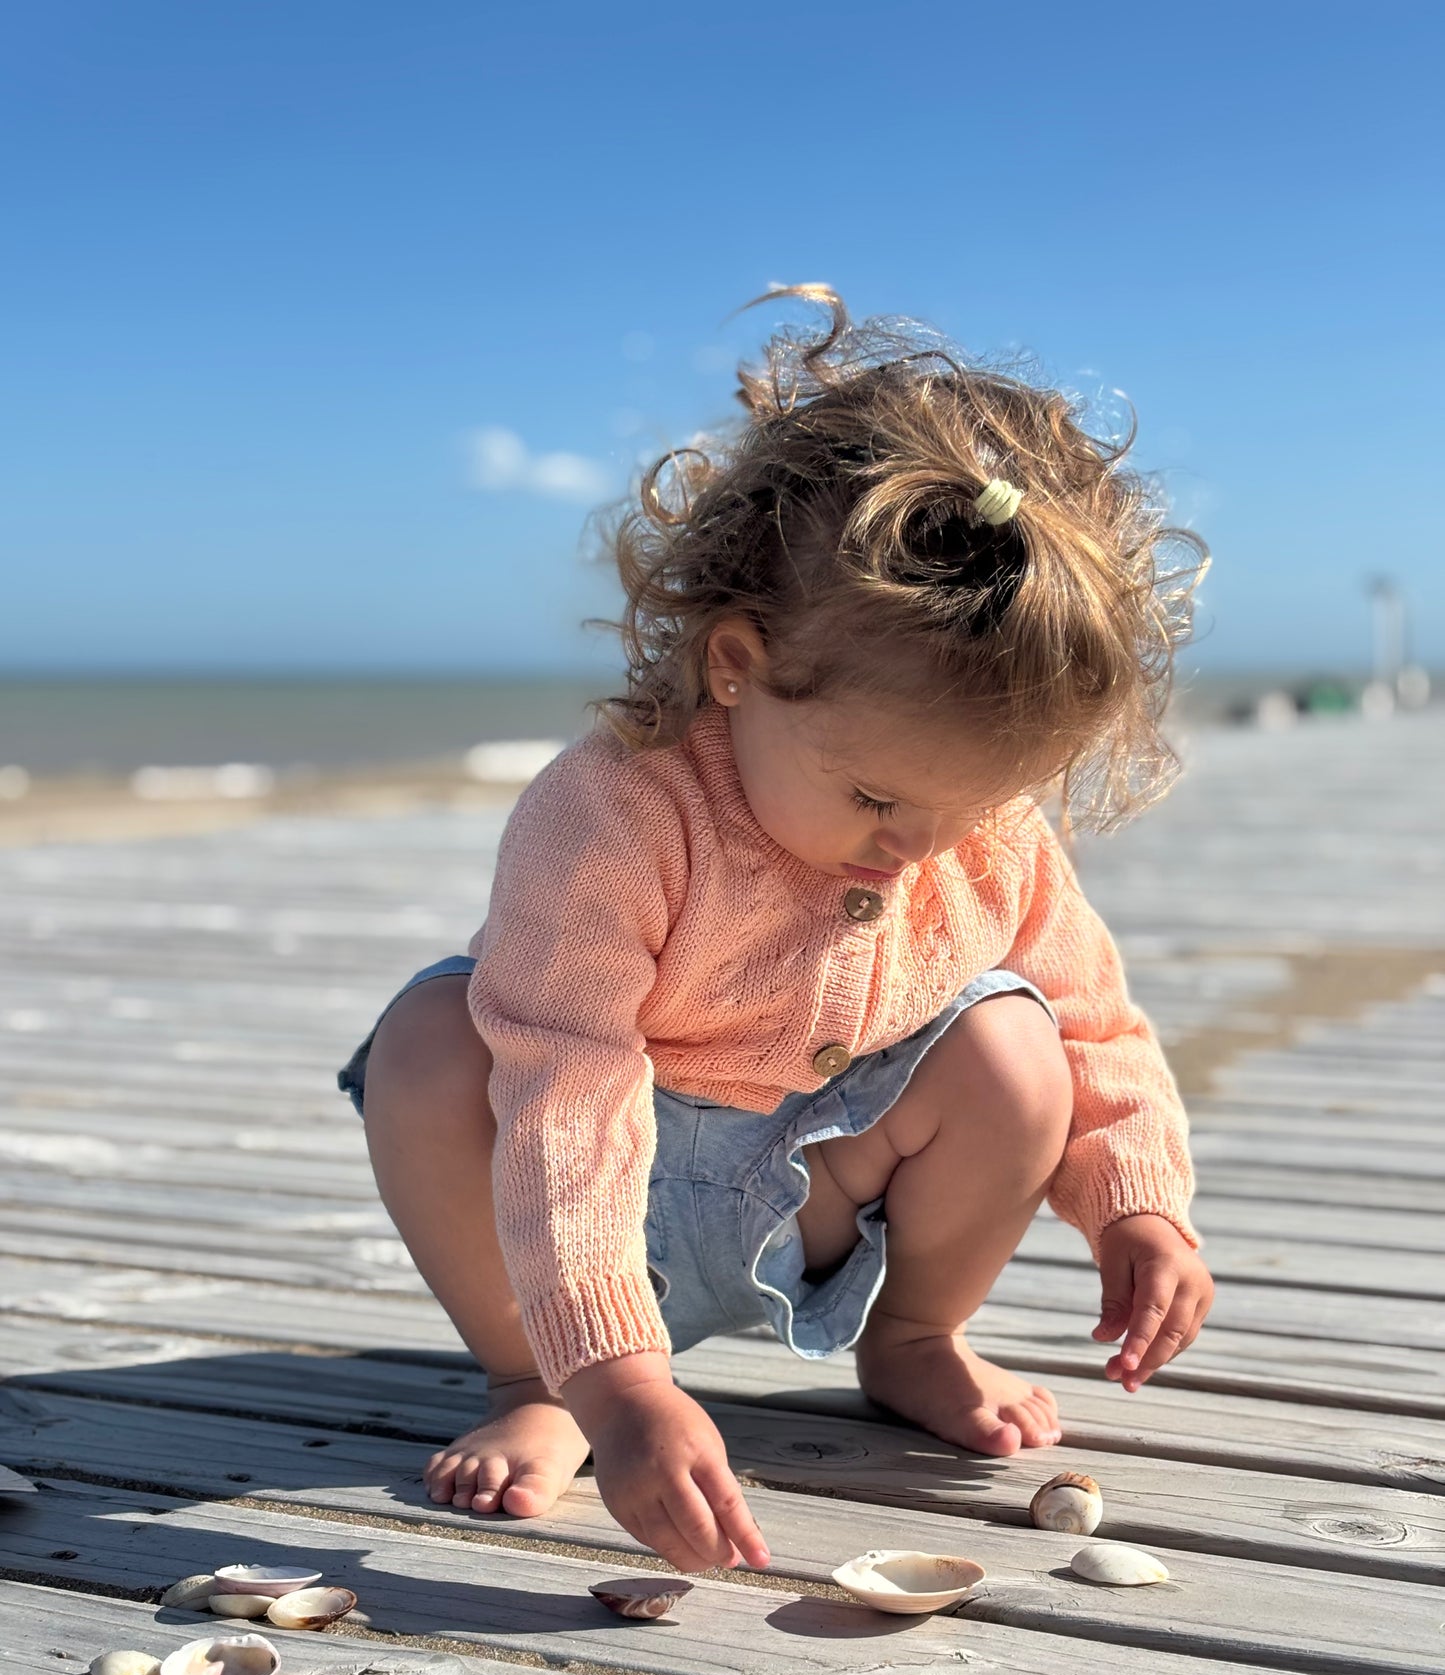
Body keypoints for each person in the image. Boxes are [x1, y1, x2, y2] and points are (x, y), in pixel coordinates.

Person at [338, 286, 1216, 1576]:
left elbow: (1094, 1023)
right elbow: (567, 1087)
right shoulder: (613, 816)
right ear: (739, 663)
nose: (918, 845)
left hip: (814, 1192)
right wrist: (620, 1379)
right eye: (876, 798)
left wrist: (1139, 1205)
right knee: (426, 1040)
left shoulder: (977, 831)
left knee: (1019, 1048)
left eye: (966, 805)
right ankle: (542, 1381)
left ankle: (911, 1335)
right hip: (575, 1199)